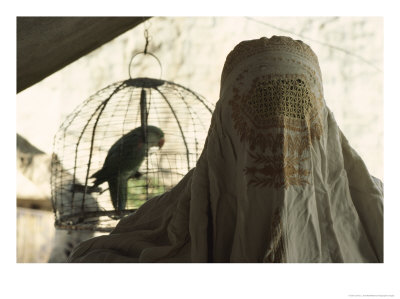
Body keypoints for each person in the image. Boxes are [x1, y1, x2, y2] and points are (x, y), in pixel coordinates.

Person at [68, 36, 383, 263]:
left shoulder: (379, 210)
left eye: (296, 105)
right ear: (224, 125)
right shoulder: (172, 214)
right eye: (261, 106)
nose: (281, 131)